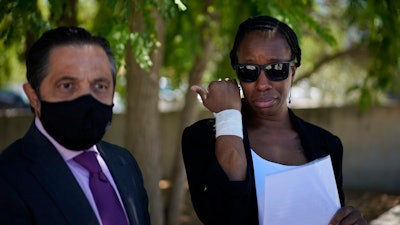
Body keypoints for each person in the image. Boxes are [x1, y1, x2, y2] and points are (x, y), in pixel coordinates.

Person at [182, 16, 367, 225]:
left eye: (276, 69)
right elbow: (221, 217)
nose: (262, 84)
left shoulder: (326, 145)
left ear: (293, 71)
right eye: (249, 71)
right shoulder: (202, 139)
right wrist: (228, 116)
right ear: (237, 74)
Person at [0, 27, 150, 225]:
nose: (86, 100)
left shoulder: (125, 162)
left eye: (100, 86)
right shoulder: (8, 179)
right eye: (67, 85)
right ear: (33, 97)